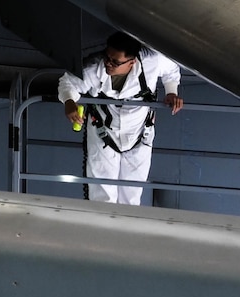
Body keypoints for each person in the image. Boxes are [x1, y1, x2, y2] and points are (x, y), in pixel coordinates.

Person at [58, 32, 183, 206]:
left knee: (131, 196)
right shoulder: (94, 68)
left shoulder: (152, 62)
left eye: (116, 62)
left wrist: (171, 92)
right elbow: (68, 83)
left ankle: (126, 231)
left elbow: (171, 69)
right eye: (107, 57)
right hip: (103, 136)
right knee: (102, 197)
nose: (109, 64)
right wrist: (69, 101)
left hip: (140, 137)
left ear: (132, 62)